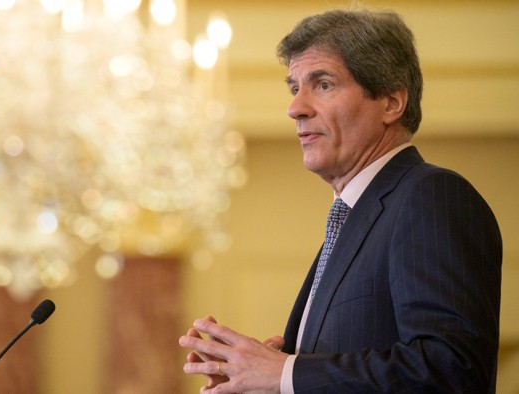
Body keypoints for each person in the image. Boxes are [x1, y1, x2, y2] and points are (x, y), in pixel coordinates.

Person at [179, 8, 502, 393]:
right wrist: (260, 383)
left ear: (391, 102)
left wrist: (284, 374)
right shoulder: (354, 218)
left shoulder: (430, 197)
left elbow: (452, 371)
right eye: (294, 87)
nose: (295, 108)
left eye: (323, 84)